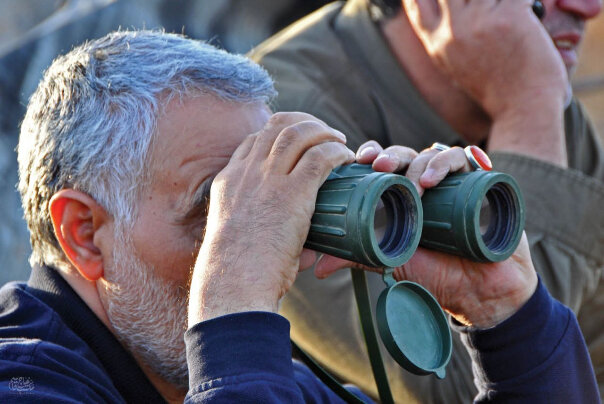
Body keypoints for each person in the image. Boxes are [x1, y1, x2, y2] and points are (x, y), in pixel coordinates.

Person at [0, 30, 597, 403]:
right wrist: (234, 311)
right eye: (222, 204)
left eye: (273, 201)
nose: (274, 249)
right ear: (84, 233)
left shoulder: (261, 382)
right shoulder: (22, 381)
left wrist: (511, 324)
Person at [250, 0, 604, 401]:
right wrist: (528, 107)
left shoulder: (534, 78)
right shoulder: (281, 124)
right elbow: (453, 390)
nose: (588, 7)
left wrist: (532, 102)